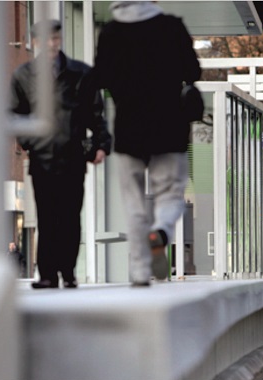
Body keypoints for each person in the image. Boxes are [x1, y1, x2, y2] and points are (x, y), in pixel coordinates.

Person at [86, 1, 200, 287]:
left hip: (129, 130)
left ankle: (139, 272)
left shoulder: (112, 33)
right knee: (171, 194)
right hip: (169, 129)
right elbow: (194, 71)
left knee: (133, 202)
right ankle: (161, 231)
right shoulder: (172, 27)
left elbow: (100, 76)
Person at [14, 20, 111, 289]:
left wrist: (102, 145)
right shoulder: (23, 76)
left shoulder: (80, 73)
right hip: (42, 158)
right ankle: (47, 274)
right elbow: (16, 113)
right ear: (35, 42)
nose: (52, 44)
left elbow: (96, 114)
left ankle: (67, 271)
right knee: (46, 216)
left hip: (72, 157)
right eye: (46, 39)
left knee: (70, 216)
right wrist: (27, 142)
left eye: (56, 38)